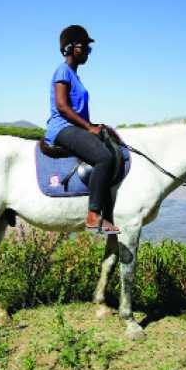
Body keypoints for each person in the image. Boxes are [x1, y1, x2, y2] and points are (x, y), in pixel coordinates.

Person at [45, 25, 120, 234]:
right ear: (70, 48)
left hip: (74, 126)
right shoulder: (63, 71)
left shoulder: (74, 75)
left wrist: (94, 126)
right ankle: (93, 215)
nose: (87, 51)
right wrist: (88, 127)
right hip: (62, 128)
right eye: (84, 46)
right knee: (104, 158)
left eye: (89, 48)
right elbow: (62, 106)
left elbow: (77, 110)